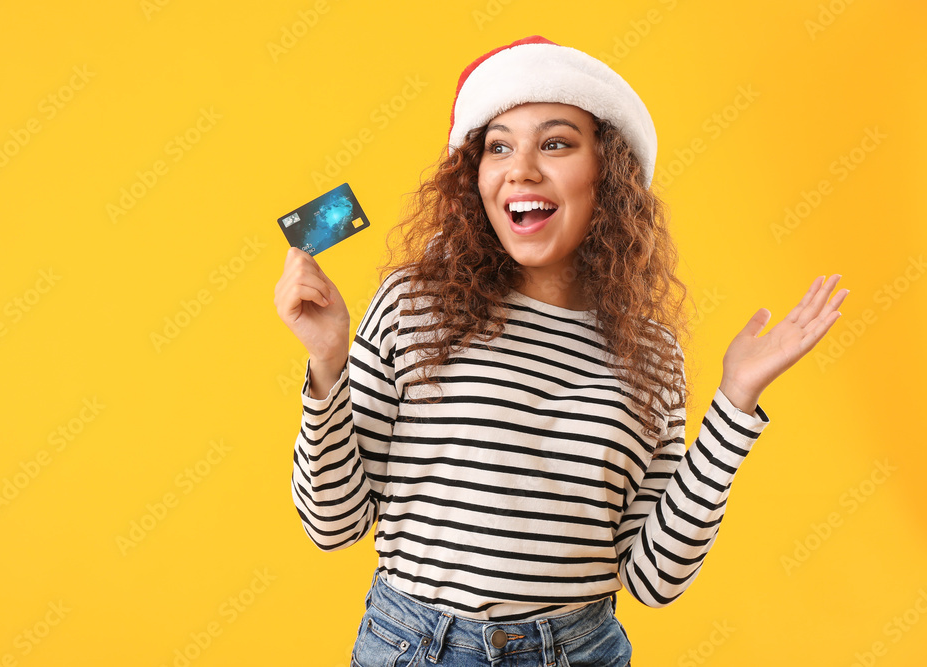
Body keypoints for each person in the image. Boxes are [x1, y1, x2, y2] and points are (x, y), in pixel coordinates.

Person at [274, 35, 848, 667]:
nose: (521, 169)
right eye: (498, 147)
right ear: (476, 179)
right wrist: (328, 365)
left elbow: (654, 580)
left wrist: (736, 403)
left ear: (609, 173)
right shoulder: (413, 306)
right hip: (415, 646)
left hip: (581, 651)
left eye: (555, 143)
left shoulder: (650, 355)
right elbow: (333, 526)